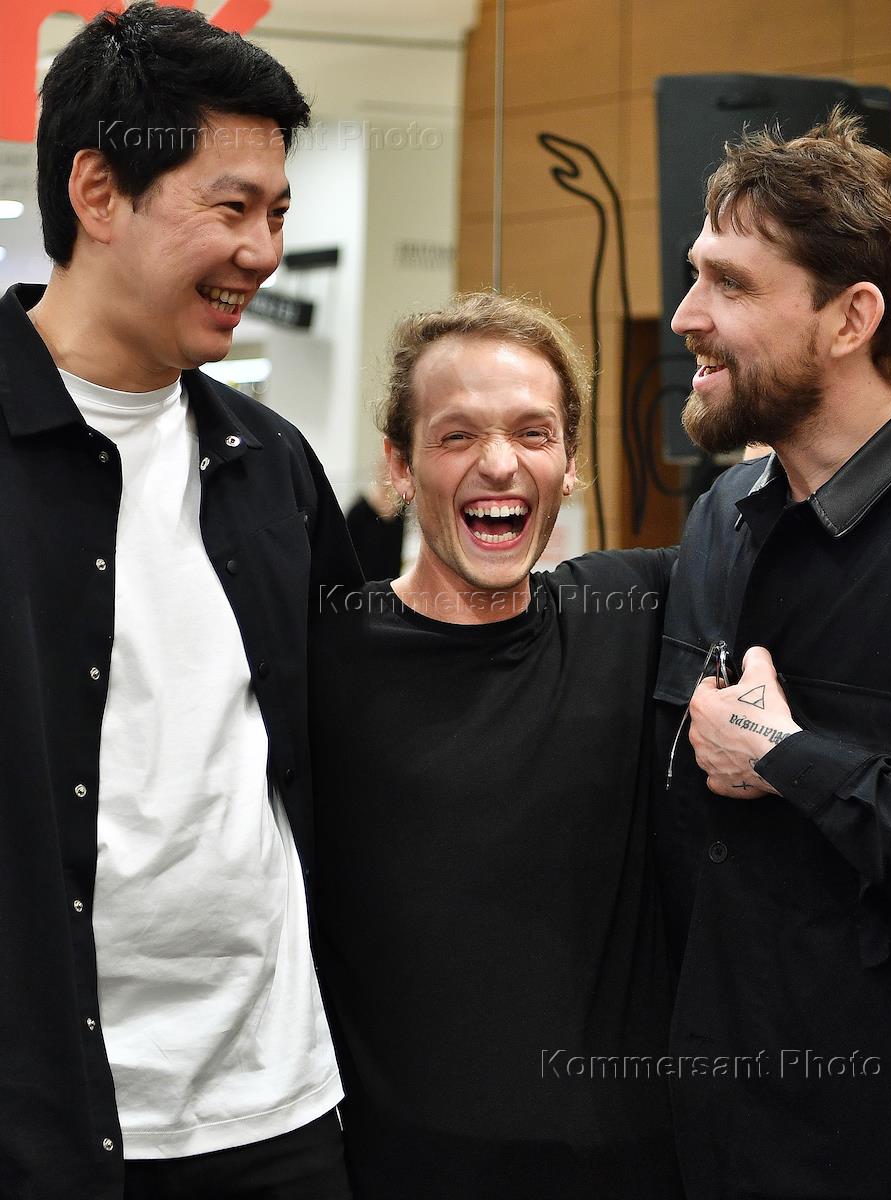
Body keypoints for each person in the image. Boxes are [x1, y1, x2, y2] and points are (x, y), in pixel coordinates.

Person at [1, 6, 361, 1198]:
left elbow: (347, 734)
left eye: (277, 214)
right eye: (231, 206)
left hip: (278, 1109)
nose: (263, 252)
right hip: (49, 1123)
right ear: (98, 193)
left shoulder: (272, 464)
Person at [655, 107, 891, 1198]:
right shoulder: (722, 516)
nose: (686, 316)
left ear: (850, 319)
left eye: (729, 284)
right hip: (708, 1138)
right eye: (694, 276)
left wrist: (791, 761)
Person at [310, 293, 682, 1199]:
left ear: (570, 463)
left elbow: (802, 503)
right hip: (398, 1171)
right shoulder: (318, 656)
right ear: (397, 466)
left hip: (631, 1170)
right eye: (456, 435)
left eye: (532, 432)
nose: (499, 463)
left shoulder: (636, 612)